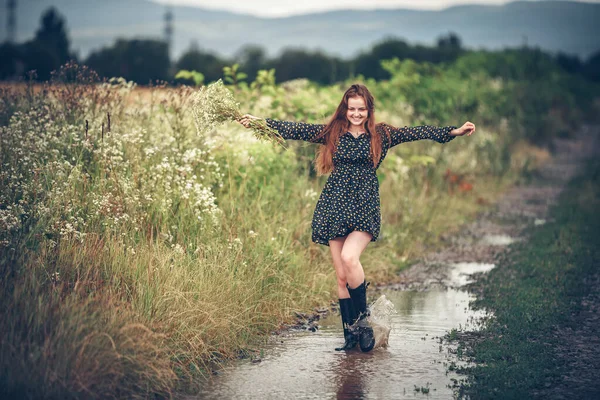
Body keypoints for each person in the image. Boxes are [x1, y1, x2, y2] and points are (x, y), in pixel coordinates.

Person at [238, 84, 475, 352]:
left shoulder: (382, 134)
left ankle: (363, 324)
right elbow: (296, 129)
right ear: (345, 109)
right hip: (335, 205)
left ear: (369, 110)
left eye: (361, 109)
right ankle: (350, 338)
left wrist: (452, 131)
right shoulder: (333, 133)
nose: (357, 113)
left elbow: (416, 132)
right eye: (352, 109)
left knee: (351, 258)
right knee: (341, 277)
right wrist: (260, 123)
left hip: (365, 206)